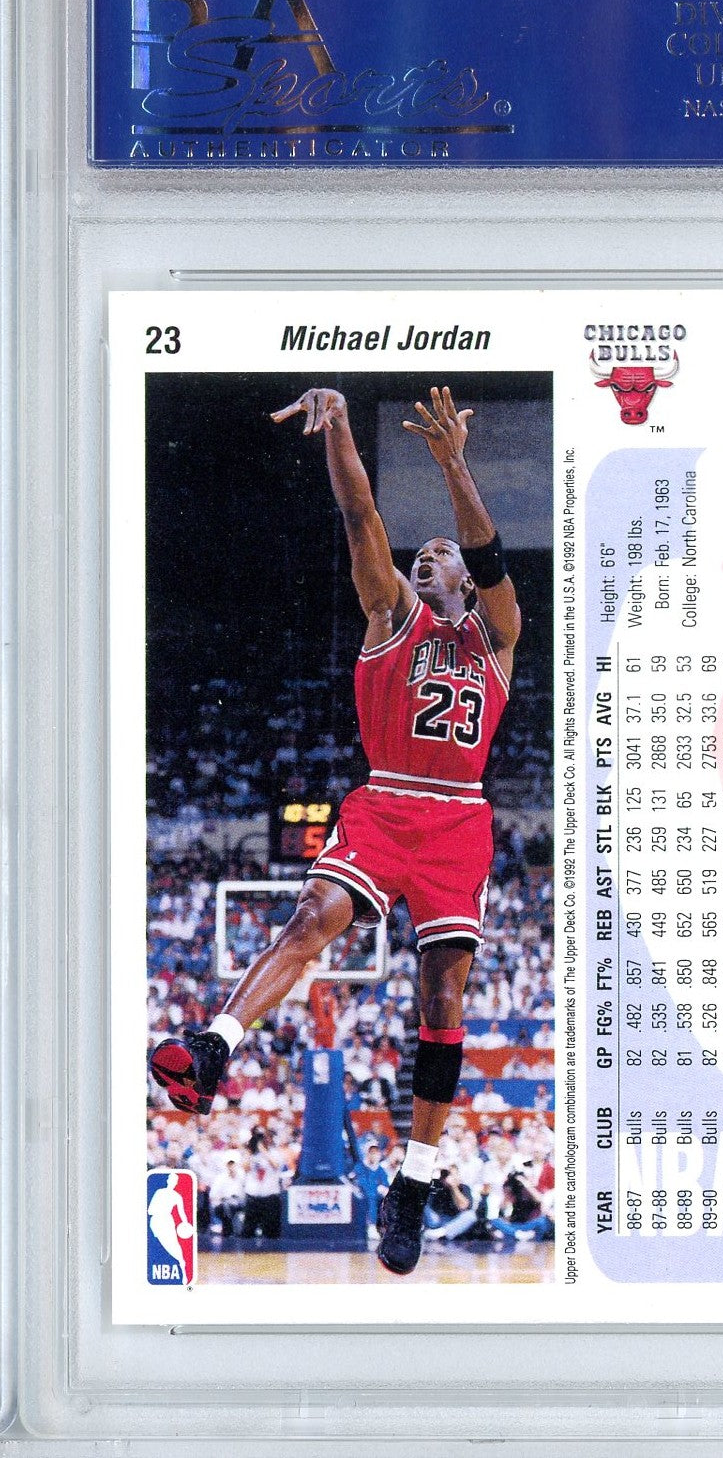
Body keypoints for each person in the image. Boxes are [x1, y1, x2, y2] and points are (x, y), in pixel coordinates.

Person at [151, 384, 520, 1277]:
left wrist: (453, 466)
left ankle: (413, 1184)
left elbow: (490, 554)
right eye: (420, 553)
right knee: (312, 917)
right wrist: (342, 427)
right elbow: (360, 515)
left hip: (459, 819)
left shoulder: (499, 637)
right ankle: (214, 1046)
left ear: (465, 581)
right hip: (387, 802)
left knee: (442, 1000)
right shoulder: (389, 615)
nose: (427, 558)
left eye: (440, 554)